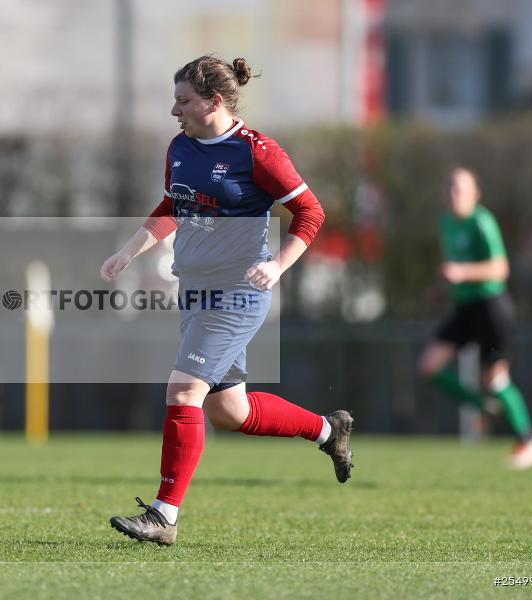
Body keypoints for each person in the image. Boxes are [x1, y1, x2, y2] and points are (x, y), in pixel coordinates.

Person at [101, 56, 353, 546]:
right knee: (228, 413)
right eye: (175, 100)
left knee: (182, 393)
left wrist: (277, 264)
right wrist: (127, 252)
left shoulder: (257, 152)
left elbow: (310, 212)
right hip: (194, 293)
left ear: (214, 102)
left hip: (238, 294)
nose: (174, 110)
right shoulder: (179, 147)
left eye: (183, 101)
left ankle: (164, 515)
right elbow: (175, 204)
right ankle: (328, 430)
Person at [418, 167, 532, 470]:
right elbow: (452, 268)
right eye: (450, 187)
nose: (454, 194)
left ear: (475, 194)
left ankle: (529, 441)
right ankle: (483, 408)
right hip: (464, 309)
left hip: (491, 307)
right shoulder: (446, 222)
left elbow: (500, 269)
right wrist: (440, 289)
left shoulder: (482, 222)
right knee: (428, 366)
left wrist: (462, 273)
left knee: (496, 379)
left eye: (460, 189)